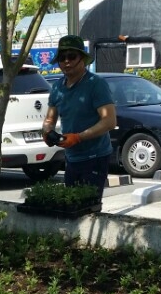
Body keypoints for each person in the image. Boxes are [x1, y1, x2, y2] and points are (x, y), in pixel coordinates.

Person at [42, 35, 116, 202]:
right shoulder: (57, 87)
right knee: (72, 204)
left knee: (88, 206)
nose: (66, 61)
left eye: (71, 56)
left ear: (82, 58)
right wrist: (47, 132)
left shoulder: (96, 84)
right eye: (62, 58)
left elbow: (110, 121)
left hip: (95, 157)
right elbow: (49, 120)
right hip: (72, 158)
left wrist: (78, 137)